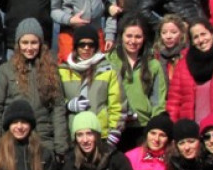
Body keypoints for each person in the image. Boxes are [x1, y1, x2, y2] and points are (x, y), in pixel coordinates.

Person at [0, 19, 67, 157]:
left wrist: (61, 147)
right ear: (18, 44)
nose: (29, 48)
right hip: (13, 137)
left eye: (34, 42)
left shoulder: (51, 70)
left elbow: (58, 108)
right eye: (25, 42)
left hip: (43, 137)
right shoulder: (6, 70)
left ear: (41, 44)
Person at [110, 18, 168, 152]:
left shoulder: (153, 64)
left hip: (142, 126)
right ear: (121, 36)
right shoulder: (110, 61)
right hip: (115, 126)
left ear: (144, 38)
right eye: (129, 36)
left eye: (138, 37)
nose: (133, 41)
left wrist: (153, 128)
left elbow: (158, 100)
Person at [58, 25, 120, 142]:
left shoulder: (109, 70)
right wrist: (68, 105)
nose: (86, 48)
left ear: (96, 46)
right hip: (73, 134)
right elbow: (55, 103)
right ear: (76, 47)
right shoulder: (63, 70)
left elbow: (117, 104)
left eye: (91, 45)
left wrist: (114, 133)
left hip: (101, 134)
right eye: (82, 44)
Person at [151, 14, 191, 92]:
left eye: (173, 32)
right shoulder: (155, 56)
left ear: (181, 33)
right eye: (164, 32)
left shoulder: (187, 55)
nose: (168, 36)